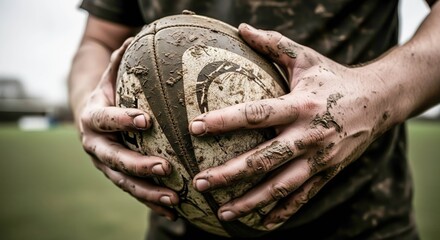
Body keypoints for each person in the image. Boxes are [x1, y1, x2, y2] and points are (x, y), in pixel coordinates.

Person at [68, 0, 440, 239]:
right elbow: (98, 40)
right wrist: (89, 103)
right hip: (179, 222)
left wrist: (370, 96)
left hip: (362, 222)